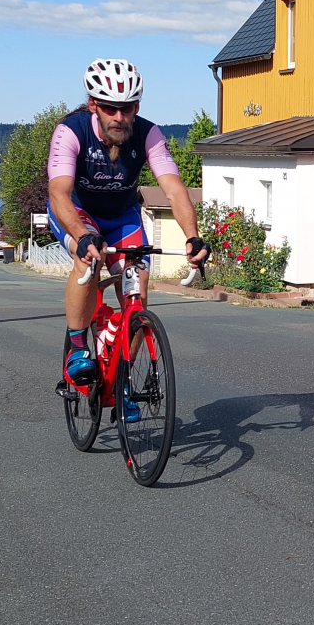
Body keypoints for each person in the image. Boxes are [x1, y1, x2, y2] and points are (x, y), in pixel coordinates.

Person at [49, 59, 209, 413]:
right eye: (110, 107)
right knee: (87, 260)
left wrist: (192, 236)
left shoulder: (148, 134)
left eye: (128, 108)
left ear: (137, 106)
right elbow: (59, 193)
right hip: (78, 213)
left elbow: (174, 190)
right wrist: (82, 235)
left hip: (123, 218)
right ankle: (77, 348)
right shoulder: (70, 131)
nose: (119, 117)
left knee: (137, 294)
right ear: (93, 104)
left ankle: (121, 378)